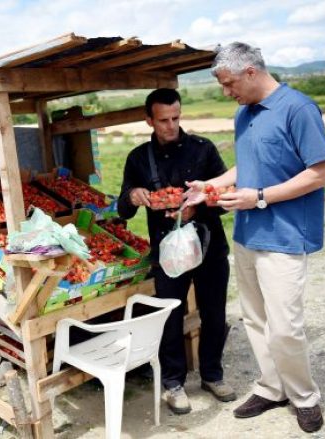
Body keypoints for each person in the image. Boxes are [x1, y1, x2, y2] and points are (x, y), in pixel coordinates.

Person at [185, 42, 325, 433]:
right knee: (255, 319)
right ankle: (272, 388)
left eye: (228, 83)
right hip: (247, 234)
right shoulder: (244, 114)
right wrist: (210, 186)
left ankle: (305, 397)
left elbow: (320, 173)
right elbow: (247, 162)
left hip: (284, 236)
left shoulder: (298, 109)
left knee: (285, 326)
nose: (225, 92)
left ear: (251, 72)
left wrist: (261, 197)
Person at [117, 88, 236, 415]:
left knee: (214, 312)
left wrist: (198, 209)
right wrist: (134, 195)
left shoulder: (203, 150)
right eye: (163, 120)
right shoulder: (139, 158)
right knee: (170, 314)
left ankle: (212, 375)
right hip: (167, 254)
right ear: (149, 120)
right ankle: (173, 384)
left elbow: (225, 198)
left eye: (176, 118)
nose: (171, 125)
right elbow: (123, 210)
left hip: (209, 245)